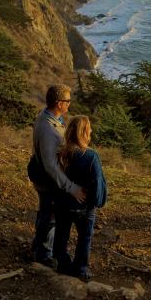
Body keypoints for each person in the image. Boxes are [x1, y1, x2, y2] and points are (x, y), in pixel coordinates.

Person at [28, 84, 86, 265]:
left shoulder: (48, 117)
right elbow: (51, 166)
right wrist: (71, 187)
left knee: (46, 212)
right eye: (67, 101)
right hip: (48, 179)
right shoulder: (49, 130)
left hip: (41, 174)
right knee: (50, 215)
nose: (69, 104)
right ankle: (43, 254)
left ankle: (39, 245)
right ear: (59, 103)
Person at [52, 115, 107, 281]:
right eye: (89, 128)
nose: (91, 130)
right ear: (83, 132)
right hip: (84, 206)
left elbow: (57, 178)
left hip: (62, 203)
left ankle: (62, 265)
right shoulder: (91, 156)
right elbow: (98, 182)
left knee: (61, 234)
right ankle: (80, 269)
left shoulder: (61, 153)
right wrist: (97, 202)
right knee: (85, 237)